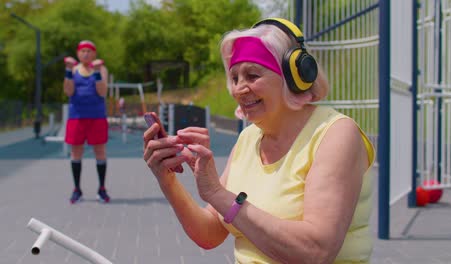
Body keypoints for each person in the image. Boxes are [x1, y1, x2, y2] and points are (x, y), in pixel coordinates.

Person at [143, 18, 375, 263]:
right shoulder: (249, 137)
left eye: (252, 75)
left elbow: (314, 252)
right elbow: (210, 233)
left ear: (293, 76)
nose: (239, 89)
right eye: (234, 78)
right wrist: (166, 178)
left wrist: (216, 193)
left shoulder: (336, 134)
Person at [63, 40, 110, 204]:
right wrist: (68, 70)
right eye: (83, 51)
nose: (86, 54)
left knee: (100, 152)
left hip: (97, 117)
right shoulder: (73, 69)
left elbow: (102, 92)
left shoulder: (101, 69)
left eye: (89, 51)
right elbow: (68, 91)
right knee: (76, 153)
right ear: (78, 53)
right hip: (76, 117)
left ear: (94, 54)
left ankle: (102, 189)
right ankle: (77, 189)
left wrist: (96, 71)